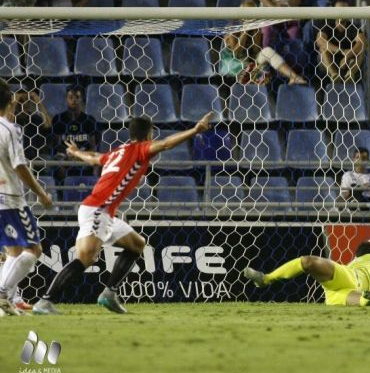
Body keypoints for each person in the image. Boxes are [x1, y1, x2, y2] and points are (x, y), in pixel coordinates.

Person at [32, 112, 214, 315]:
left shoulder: (119, 150)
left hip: (105, 212)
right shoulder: (139, 150)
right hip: (97, 209)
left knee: (137, 245)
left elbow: (95, 159)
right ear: (149, 133)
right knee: (86, 258)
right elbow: (165, 144)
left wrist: (76, 153)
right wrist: (194, 130)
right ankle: (45, 301)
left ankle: (109, 293)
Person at [0, 78, 53, 316]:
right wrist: (40, 192)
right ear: (10, 100)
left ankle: (7, 302)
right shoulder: (9, 129)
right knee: (33, 249)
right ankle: (2, 295)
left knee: (13, 252)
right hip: (11, 198)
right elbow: (20, 165)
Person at [244, 241, 370, 306]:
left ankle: (265, 279)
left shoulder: (354, 262)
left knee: (308, 262)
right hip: (352, 280)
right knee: (363, 299)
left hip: (336, 288)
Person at [220, 0, 306, 85]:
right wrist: (245, 32)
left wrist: (254, 33)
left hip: (251, 64)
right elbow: (236, 54)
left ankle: (294, 77)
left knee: (267, 51)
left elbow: (256, 51)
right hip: (236, 66)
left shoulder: (256, 30)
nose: (250, 17)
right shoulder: (232, 29)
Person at [52, 86, 98, 178]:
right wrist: (69, 154)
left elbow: (92, 146)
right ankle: (62, 189)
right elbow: (56, 145)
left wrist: (79, 154)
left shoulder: (89, 120)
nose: (74, 100)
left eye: (77, 97)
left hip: (83, 155)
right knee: (59, 164)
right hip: (65, 156)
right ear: (66, 99)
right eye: (71, 97)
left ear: (82, 100)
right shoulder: (58, 119)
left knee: (95, 164)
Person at [315, 0, 366, 82]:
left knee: (360, 52)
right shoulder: (328, 25)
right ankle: (334, 75)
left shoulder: (352, 27)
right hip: (330, 61)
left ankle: (350, 74)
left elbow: (362, 43)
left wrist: (347, 56)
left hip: (348, 62)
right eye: (339, 10)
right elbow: (320, 41)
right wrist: (342, 51)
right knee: (323, 50)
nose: (342, 13)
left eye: (345, 10)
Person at [12, 89, 52, 161]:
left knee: (48, 160)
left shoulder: (35, 119)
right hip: (15, 157)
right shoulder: (11, 120)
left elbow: (48, 127)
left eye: (27, 101)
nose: (24, 104)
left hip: (35, 157)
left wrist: (39, 103)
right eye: (20, 101)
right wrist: (14, 104)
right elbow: (4, 125)